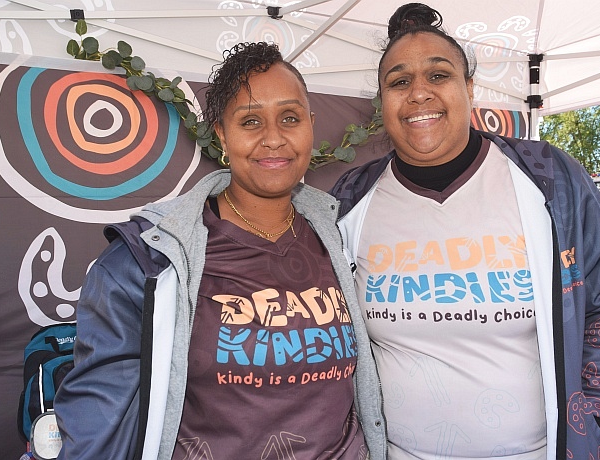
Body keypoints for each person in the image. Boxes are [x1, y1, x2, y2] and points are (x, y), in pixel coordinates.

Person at [330, 3, 600, 460]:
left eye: (438, 75)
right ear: (382, 102)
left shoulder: (548, 177)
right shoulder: (350, 198)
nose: (418, 93)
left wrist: (593, 417)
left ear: (469, 87)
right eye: (398, 82)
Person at [54, 42, 384, 460]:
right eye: (250, 121)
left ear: (310, 125)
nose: (274, 138)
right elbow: (98, 419)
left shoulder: (340, 234)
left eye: (290, 118)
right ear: (222, 135)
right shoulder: (148, 261)